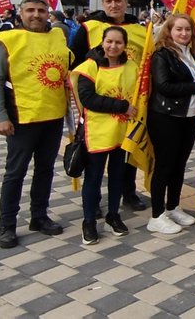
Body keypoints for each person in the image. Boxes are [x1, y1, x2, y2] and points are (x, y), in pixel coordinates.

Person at [0, 0, 74, 248]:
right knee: (15, 173)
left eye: (41, 10)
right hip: (21, 119)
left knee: (45, 170)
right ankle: (7, 225)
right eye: (30, 11)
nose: (36, 15)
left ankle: (39, 216)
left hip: (53, 116)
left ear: (49, 13)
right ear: (20, 13)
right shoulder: (6, 40)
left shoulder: (58, 36)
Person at [70, 0, 151, 212]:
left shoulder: (140, 30)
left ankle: (128, 193)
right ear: (103, 3)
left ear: (126, 2)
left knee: (126, 151)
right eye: (108, 1)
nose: (113, 5)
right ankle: (92, 202)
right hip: (98, 104)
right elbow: (75, 61)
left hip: (129, 104)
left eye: (118, 1)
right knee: (95, 159)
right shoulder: (90, 28)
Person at [146, 13, 195, 234]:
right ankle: (156, 216)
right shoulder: (162, 55)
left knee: (180, 165)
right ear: (169, 31)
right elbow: (164, 86)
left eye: (187, 29)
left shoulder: (191, 54)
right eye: (179, 29)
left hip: (189, 116)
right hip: (166, 117)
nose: (184, 33)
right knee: (164, 166)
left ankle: (173, 206)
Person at [70, 26, 136, 245]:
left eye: (118, 43)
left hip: (122, 132)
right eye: (109, 42)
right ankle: (89, 221)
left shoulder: (131, 67)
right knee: (94, 178)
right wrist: (123, 106)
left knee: (118, 176)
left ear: (125, 45)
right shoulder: (89, 67)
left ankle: (113, 215)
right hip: (96, 132)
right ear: (102, 41)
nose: (113, 46)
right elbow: (89, 99)